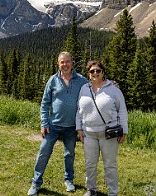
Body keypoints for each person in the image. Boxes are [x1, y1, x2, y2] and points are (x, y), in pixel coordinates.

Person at [28, 51, 88, 196]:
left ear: (72, 63)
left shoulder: (81, 80)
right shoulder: (52, 80)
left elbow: (95, 85)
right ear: (58, 64)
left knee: (70, 154)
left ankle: (69, 179)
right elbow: (45, 103)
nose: (65, 64)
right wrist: (44, 123)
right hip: (53, 125)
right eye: (62, 62)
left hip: (72, 126)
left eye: (67, 61)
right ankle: (36, 183)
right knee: (43, 152)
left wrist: (111, 84)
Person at [76, 60, 128, 196]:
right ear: (88, 73)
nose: (95, 73)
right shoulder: (84, 89)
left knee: (110, 165)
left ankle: (113, 192)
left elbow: (122, 110)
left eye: (98, 70)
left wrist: (124, 130)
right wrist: (79, 129)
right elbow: (79, 110)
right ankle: (91, 189)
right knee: (90, 164)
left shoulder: (113, 89)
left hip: (109, 133)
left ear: (103, 72)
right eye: (92, 71)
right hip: (89, 133)